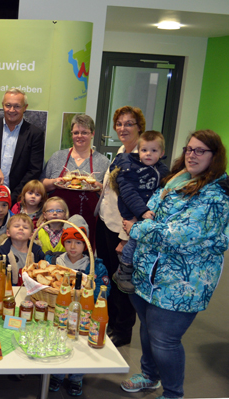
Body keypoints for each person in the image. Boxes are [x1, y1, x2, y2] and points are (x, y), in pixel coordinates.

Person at [120, 130, 229, 399]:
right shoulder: (178, 179)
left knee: (165, 340)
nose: (192, 155)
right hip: (150, 274)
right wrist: (148, 226)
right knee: (148, 331)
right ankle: (149, 376)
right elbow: (153, 208)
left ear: (215, 156)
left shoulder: (215, 197)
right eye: (189, 149)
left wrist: (138, 228)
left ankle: (173, 394)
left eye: (200, 151)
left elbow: (177, 236)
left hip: (181, 283)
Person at [94, 105, 144, 347]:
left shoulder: (141, 157)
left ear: (139, 127)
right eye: (120, 123)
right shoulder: (121, 150)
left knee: (122, 281)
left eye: (129, 124)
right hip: (107, 223)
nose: (123, 128)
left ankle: (122, 331)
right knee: (109, 277)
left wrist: (127, 238)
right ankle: (110, 323)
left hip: (123, 231)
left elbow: (138, 200)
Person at [46, 215, 111, 396]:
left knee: (81, 345)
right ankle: (57, 374)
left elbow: (105, 292)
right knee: (60, 341)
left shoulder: (95, 267)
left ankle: (76, 377)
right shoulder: (54, 262)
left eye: (78, 242)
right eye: (68, 242)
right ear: (63, 244)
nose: (73, 247)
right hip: (60, 312)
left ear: (86, 245)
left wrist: (95, 288)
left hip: (85, 314)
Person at [110, 131, 169, 293]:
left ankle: (141, 272)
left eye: (154, 150)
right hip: (133, 211)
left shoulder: (162, 170)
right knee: (134, 241)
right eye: (144, 150)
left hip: (149, 214)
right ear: (138, 151)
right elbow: (128, 193)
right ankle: (123, 271)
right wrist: (141, 212)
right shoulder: (130, 169)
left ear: (162, 153)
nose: (148, 154)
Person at [40, 114, 109, 249]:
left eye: (84, 132)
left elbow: (108, 194)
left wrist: (98, 186)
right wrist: (55, 181)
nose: (79, 136)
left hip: (88, 223)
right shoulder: (58, 157)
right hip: (56, 223)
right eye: (76, 132)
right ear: (71, 134)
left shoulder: (102, 161)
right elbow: (42, 184)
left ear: (92, 134)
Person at [0, 88, 46, 204]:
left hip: (18, 198)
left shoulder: (35, 134)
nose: (12, 110)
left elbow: (34, 170)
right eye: (8, 105)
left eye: (17, 106)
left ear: (25, 108)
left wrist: (12, 197)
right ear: (2, 106)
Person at [0, 214, 45, 286]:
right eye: (16, 226)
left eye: (25, 227)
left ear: (31, 235)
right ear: (8, 233)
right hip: (10, 289)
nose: (21, 228)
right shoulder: (3, 252)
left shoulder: (37, 252)